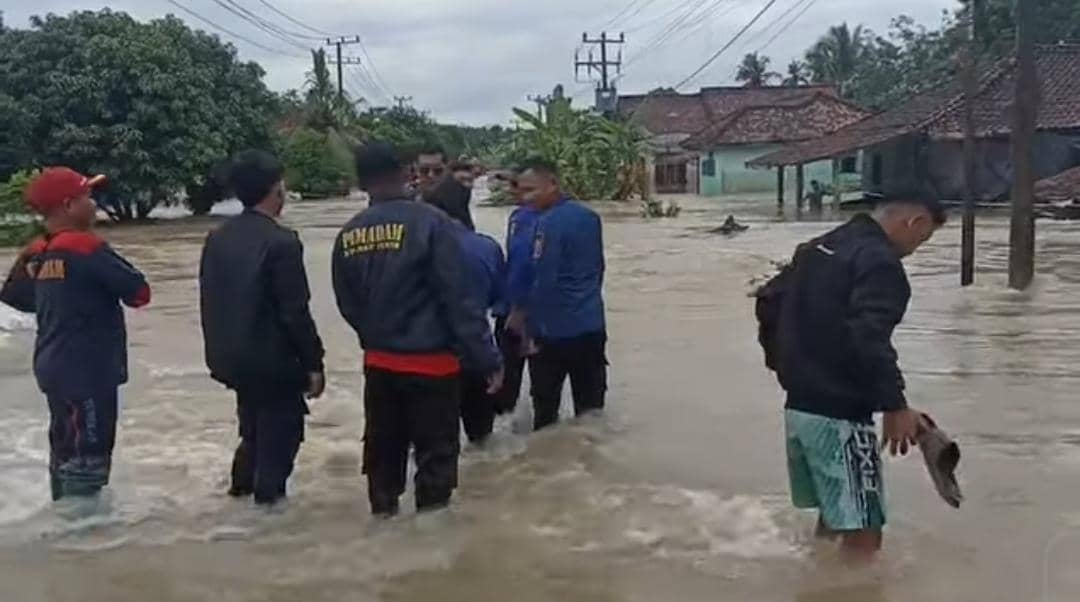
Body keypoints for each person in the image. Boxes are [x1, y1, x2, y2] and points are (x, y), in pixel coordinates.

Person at [773, 190, 945, 560]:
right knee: (864, 532)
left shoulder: (817, 248)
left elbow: (769, 302)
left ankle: (815, 587)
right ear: (913, 222)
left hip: (800, 408)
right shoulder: (880, 263)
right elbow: (869, 337)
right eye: (924, 237)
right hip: (841, 415)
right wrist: (894, 406)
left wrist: (793, 373)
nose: (917, 247)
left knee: (836, 518)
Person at [332, 143, 502, 516]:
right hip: (433, 365)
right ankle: (430, 545)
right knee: (436, 458)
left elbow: (347, 302)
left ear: (361, 183)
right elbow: (459, 299)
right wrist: (485, 358)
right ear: (406, 172)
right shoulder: (432, 224)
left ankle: (384, 526)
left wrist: (376, 334)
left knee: (383, 452)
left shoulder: (348, 234)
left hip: (379, 364)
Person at [0, 167, 151, 500]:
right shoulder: (86, 248)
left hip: (52, 366)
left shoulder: (36, 252)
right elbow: (140, 293)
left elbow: (15, 298)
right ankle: (87, 541)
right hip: (89, 371)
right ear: (69, 206)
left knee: (65, 448)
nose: (94, 204)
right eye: (87, 196)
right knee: (90, 457)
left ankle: (64, 529)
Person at [199, 150, 326, 506]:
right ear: (277, 190)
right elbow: (295, 312)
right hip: (274, 365)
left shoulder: (217, 239)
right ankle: (268, 522)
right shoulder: (282, 242)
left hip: (231, 358)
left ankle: (238, 503)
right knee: (279, 441)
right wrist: (314, 363)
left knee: (253, 434)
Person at [513, 160, 607, 431]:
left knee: (545, 416)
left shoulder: (546, 224)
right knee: (591, 414)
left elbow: (544, 280)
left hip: (552, 332)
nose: (525, 198)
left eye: (531, 190)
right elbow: (599, 268)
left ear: (552, 184)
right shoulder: (590, 217)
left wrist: (527, 330)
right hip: (591, 326)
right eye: (522, 191)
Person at [425, 176, 505, 444]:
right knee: (482, 442)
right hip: (475, 356)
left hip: (427, 356)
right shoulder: (487, 248)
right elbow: (497, 302)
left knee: (431, 445)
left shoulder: (416, 247)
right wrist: (492, 359)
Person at [493, 172, 537, 416]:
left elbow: (522, 263)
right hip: (538, 310)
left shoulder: (523, 218)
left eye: (515, 186)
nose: (511, 191)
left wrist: (518, 310)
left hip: (515, 311)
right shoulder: (521, 216)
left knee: (505, 385)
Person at [417, 146, 476, 231]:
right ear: (417, 171)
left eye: (437, 171)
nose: (431, 175)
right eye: (424, 170)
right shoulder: (409, 200)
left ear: (446, 171)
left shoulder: (458, 193)